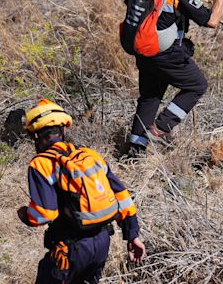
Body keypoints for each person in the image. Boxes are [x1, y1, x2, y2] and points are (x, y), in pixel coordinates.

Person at [127, 0, 223, 156]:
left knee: (150, 97)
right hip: (165, 53)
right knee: (197, 85)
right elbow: (212, 20)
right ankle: (162, 127)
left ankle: (134, 152)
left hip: (143, 51)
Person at [17, 99, 146, 284]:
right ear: (64, 130)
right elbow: (122, 196)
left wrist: (25, 215)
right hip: (102, 244)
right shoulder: (90, 155)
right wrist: (132, 234)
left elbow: (44, 214)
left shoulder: (41, 164)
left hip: (71, 249)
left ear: (35, 136)